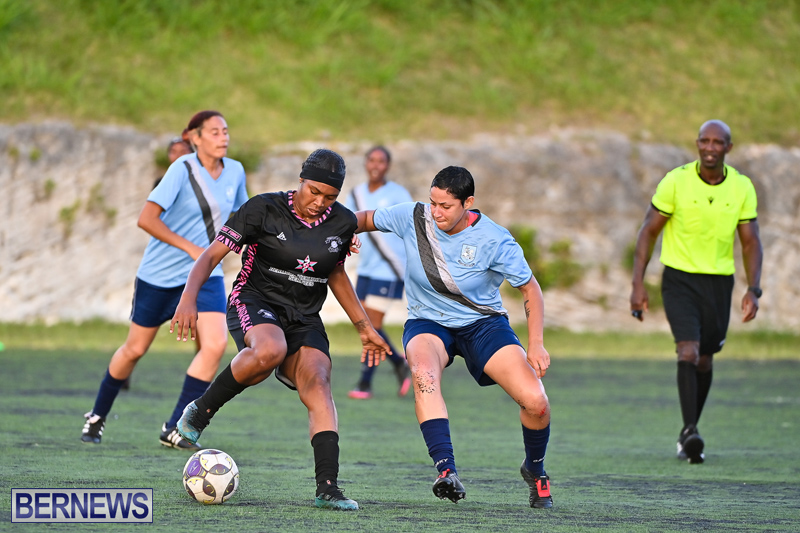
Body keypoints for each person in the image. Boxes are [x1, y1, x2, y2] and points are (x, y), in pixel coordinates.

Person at [171, 149, 390, 511]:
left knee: (319, 382)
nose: (319, 202)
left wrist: (364, 328)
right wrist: (188, 298)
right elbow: (210, 256)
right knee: (270, 350)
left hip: (304, 317)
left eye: (330, 196)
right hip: (254, 300)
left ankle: (327, 488)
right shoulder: (263, 209)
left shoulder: (341, 223)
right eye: (314, 191)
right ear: (301, 180)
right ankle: (201, 410)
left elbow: (336, 273)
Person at [353, 166, 554, 508]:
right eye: (433, 202)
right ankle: (446, 470)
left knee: (536, 402)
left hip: (483, 324)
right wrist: (342, 235)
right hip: (427, 322)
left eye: (445, 206)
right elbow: (361, 218)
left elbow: (530, 289)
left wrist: (536, 344)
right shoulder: (414, 217)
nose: (436, 212)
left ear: (468, 203)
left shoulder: (495, 238)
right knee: (423, 376)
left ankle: (535, 469)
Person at [80, 110, 249, 450]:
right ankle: (97, 416)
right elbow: (146, 219)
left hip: (206, 275)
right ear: (195, 138)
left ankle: (176, 427)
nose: (223, 137)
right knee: (134, 349)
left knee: (215, 345)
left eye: (226, 131)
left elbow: (246, 217)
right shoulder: (181, 169)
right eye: (214, 132)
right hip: (159, 276)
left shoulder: (235, 170)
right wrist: (190, 248)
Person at [629, 119, 763, 464]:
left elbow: (750, 242)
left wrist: (754, 289)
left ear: (728, 148)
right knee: (687, 351)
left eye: (718, 142)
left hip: (719, 283)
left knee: (704, 359)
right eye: (705, 141)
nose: (710, 147)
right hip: (679, 280)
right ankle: (690, 432)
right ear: (697, 144)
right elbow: (648, 231)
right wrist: (637, 283)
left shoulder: (742, 187)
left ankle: (688, 430)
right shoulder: (676, 181)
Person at [345, 146, 413, 400]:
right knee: (362, 323)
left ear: (388, 165)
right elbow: (346, 224)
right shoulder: (356, 194)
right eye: (371, 160)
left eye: (381, 161)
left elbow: (410, 227)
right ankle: (399, 362)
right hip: (366, 269)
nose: (376, 165)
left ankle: (365, 382)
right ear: (365, 163)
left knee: (372, 325)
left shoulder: (398, 194)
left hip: (390, 268)